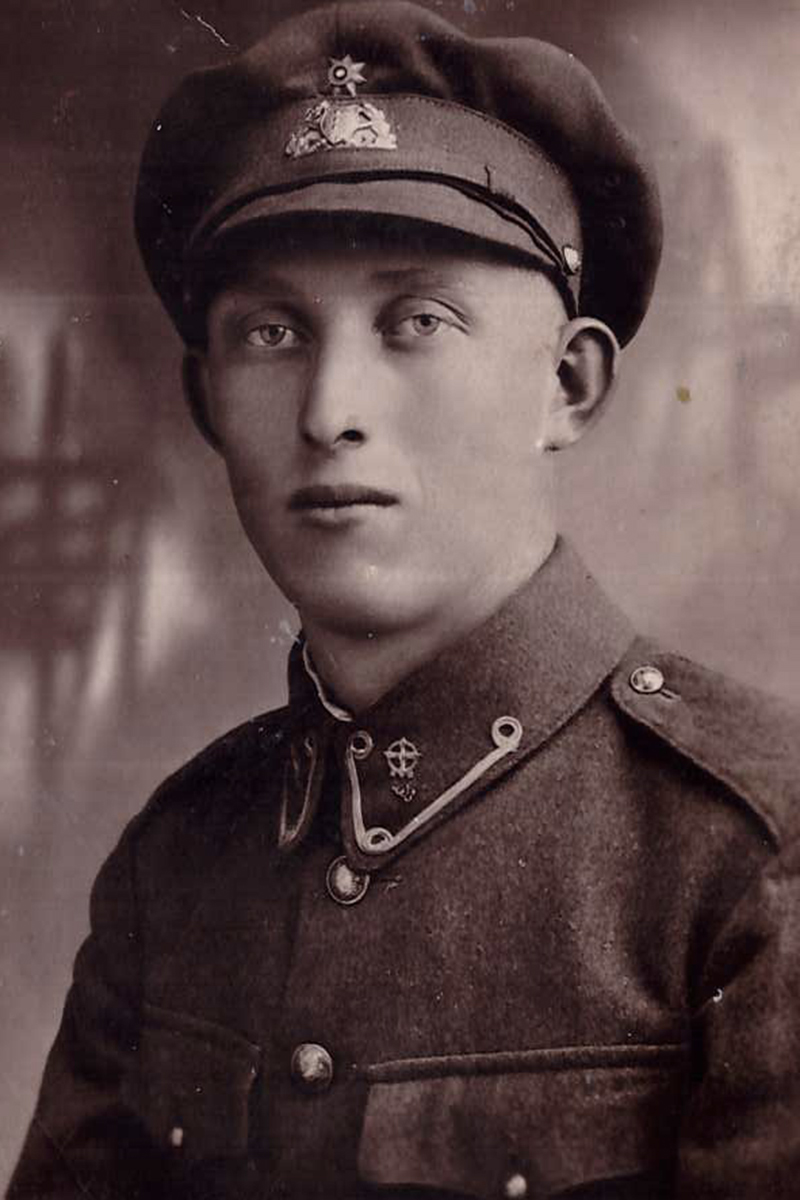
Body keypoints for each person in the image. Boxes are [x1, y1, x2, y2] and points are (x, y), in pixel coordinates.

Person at [8, 2, 800, 1198]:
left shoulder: (749, 855)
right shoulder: (175, 865)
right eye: (272, 331)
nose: (330, 411)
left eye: (415, 321)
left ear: (567, 385)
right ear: (206, 402)